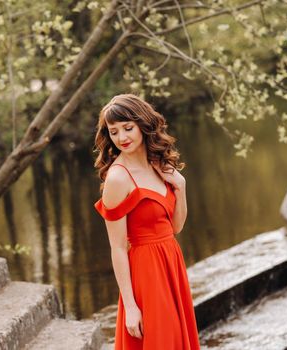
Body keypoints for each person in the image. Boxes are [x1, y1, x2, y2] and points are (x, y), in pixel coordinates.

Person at [92, 93, 200, 349]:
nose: (122, 138)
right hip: (146, 273)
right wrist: (130, 306)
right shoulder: (117, 179)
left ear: (143, 124)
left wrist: (181, 187)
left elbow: (175, 227)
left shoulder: (158, 165)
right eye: (114, 131)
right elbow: (117, 247)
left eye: (128, 128)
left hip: (171, 261)